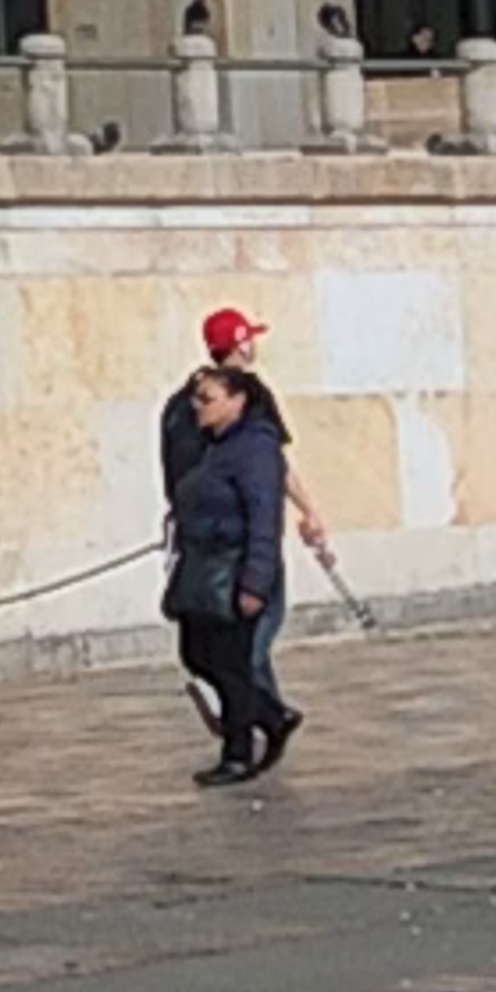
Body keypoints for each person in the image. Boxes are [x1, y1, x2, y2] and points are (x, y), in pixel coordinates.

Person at [157, 302, 334, 753]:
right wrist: (309, 511)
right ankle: (262, 716)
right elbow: (271, 468)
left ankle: (249, 721)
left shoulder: (179, 406)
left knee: (212, 647)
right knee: (250, 640)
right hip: (237, 541)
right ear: (240, 344)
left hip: (198, 541)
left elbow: (173, 478)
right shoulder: (248, 401)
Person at [166, 358, 295, 779]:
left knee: (232, 663)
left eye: (208, 398)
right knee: (196, 654)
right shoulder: (212, 447)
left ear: (237, 401)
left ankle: (237, 753)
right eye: (195, 399)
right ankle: (271, 716)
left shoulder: (256, 449)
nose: (197, 406)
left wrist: (255, 583)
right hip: (201, 567)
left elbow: (264, 519)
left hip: (234, 567)